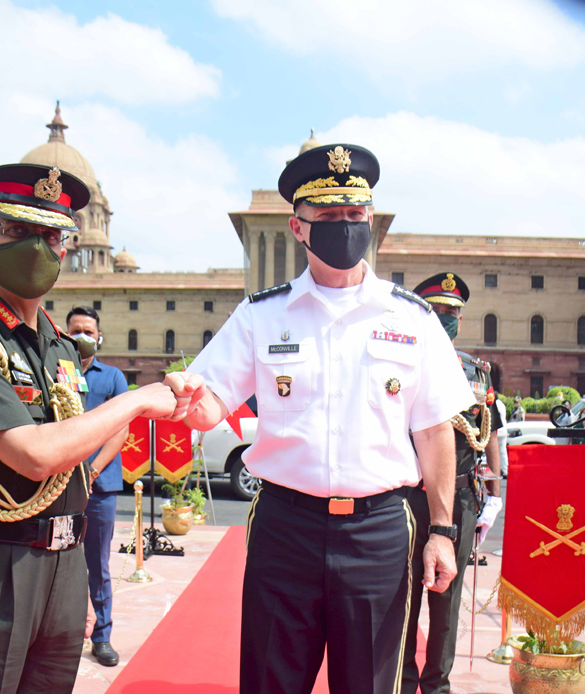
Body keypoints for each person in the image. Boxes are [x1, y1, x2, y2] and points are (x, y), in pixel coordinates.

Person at [164, 144, 474, 694]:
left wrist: (444, 532)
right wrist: (193, 403)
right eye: (328, 218)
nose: (345, 228)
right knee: (270, 682)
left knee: (373, 686)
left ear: (371, 221)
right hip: (286, 526)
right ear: (298, 227)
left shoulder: (413, 318)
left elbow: (433, 430)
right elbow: (213, 398)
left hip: (379, 530)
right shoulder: (263, 315)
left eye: (355, 216)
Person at [0, 163, 176, 694]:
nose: (35, 248)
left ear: (66, 249)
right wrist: (136, 400)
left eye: (50, 235)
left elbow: (73, 451)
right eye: (15, 232)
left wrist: (67, 578)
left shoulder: (58, 345)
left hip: (61, 561)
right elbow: (32, 455)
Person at [401, 273, 504, 694]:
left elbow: (490, 432)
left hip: (460, 497)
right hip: (407, 497)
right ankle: (403, 681)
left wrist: (493, 495)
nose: (447, 319)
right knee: (402, 597)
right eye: (439, 311)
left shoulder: (476, 372)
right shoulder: (404, 363)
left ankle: (437, 684)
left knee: (448, 598)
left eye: (453, 313)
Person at [66, 306, 128, 667]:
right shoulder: (56, 373)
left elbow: (121, 429)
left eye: (88, 331)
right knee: (57, 562)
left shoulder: (113, 377)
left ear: (99, 336)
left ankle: (101, 636)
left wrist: (91, 469)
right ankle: (64, 633)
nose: (82, 336)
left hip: (99, 486)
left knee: (97, 564)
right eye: (76, 330)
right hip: (57, 486)